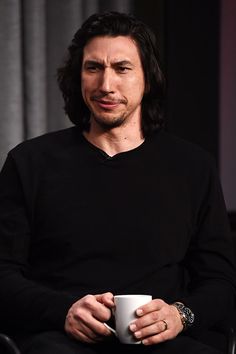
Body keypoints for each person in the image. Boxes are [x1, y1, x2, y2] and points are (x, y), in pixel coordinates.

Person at [0, 11, 235, 354]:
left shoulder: (192, 166)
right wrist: (61, 310)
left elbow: (220, 281)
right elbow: (3, 274)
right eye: (93, 68)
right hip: (59, 338)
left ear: (147, 78)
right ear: (78, 77)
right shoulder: (30, 162)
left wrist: (180, 315)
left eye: (122, 68)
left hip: (162, 341)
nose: (105, 85)